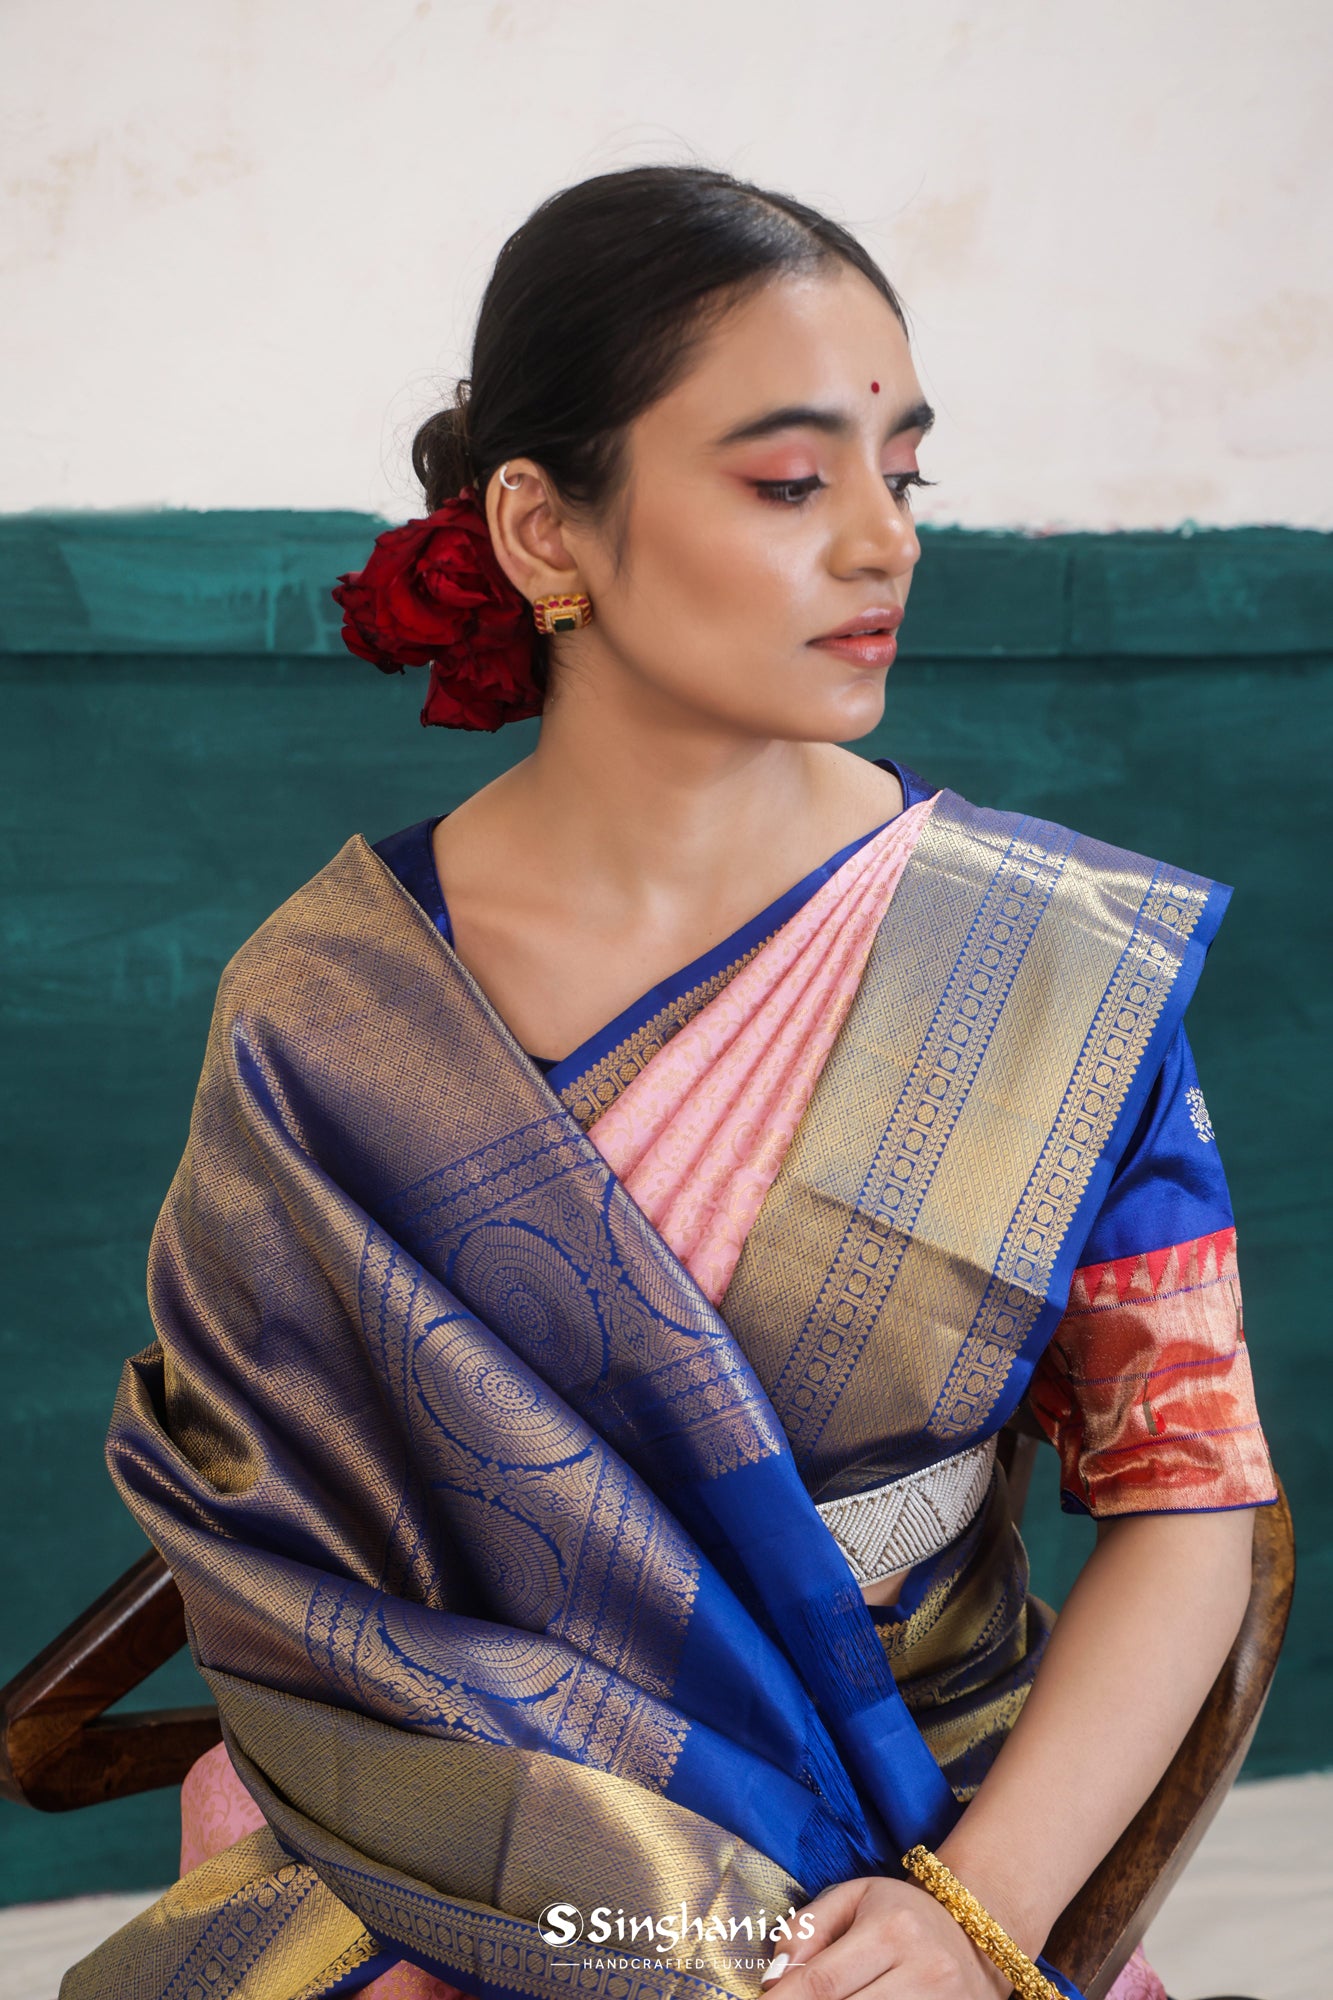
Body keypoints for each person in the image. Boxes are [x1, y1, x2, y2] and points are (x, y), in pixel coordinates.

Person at [63, 166, 1277, 2000]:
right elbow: (272, 1553)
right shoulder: (323, 1012)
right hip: (427, 1826)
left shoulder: (1047, 965)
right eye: (791, 482)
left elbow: (1192, 1499)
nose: (885, 542)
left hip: (902, 1832)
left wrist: (984, 1911)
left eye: (904, 472)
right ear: (546, 530)